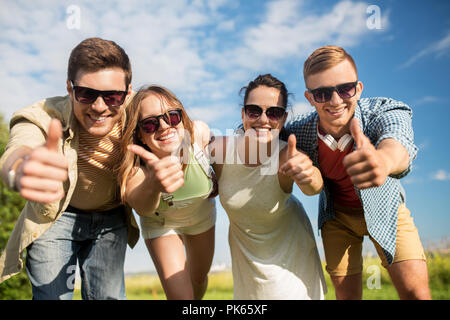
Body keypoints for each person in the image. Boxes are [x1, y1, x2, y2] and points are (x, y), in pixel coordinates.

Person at [286, 45, 431, 300]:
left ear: (358, 88)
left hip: (387, 210)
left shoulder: (382, 111)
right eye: (322, 93)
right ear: (310, 98)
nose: (335, 101)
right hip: (337, 218)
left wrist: (383, 161)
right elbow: (261, 132)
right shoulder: (299, 132)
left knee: (416, 293)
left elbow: (398, 141)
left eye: (345, 89)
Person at [0, 37, 140, 300]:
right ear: (69, 88)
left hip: (111, 220)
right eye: (86, 94)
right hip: (56, 218)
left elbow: (176, 123)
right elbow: (19, 148)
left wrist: (198, 133)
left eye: (112, 97)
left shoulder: (139, 116)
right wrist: (21, 170)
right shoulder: (44, 114)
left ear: (128, 93)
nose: (99, 107)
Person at [210, 74, 326, 300]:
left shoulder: (285, 155)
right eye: (254, 110)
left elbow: (314, 185)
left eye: (273, 113)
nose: (263, 120)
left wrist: (308, 174)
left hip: (290, 260)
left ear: (282, 120)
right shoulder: (222, 151)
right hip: (248, 268)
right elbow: (188, 154)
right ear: (243, 114)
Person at [118, 85, 216, 300]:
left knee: (199, 278)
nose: (164, 126)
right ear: (141, 135)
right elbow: (142, 207)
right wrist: (154, 184)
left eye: (172, 117)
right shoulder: (137, 169)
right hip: (162, 225)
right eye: (150, 124)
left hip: (201, 219)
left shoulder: (199, 134)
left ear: (182, 119)